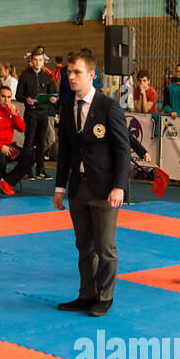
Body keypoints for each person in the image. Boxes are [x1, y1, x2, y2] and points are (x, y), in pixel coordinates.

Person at [52, 50, 130, 317]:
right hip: (78, 186)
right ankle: (87, 294)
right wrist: (59, 187)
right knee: (84, 246)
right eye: (69, 72)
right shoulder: (67, 106)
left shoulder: (108, 106)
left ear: (92, 75)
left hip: (106, 187)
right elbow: (65, 151)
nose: (71, 77)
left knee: (104, 247)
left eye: (77, 72)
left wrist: (119, 186)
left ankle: (105, 296)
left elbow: (123, 149)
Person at [0, 85, 32, 195]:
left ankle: (7, 181)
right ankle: (1, 179)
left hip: (8, 144)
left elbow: (22, 128)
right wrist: (0, 146)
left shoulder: (12, 109)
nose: (6, 100)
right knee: (0, 159)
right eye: (3, 96)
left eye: (9, 97)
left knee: (30, 156)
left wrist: (15, 115)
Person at [16, 47, 58, 180]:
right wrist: (26, 99)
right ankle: (27, 170)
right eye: (35, 60)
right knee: (28, 143)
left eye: (40, 60)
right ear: (31, 61)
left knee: (41, 142)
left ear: (43, 61)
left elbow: (54, 94)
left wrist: (53, 99)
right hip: (31, 113)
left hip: (44, 113)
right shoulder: (24, 76)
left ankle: (41, 170)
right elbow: (18, 95)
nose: (38, 62)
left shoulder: (48, 76)